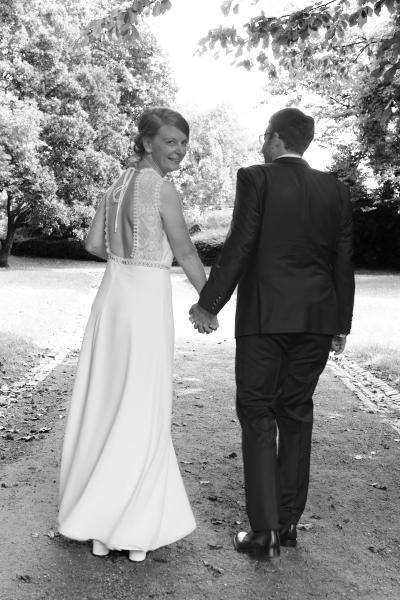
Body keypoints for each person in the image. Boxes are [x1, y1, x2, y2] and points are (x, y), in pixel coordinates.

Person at [189, 108, 355, 559]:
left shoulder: (255, 178)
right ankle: (288, 523)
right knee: (296, 412)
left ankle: (263, 533)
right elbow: (343, 260)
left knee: (258, 412)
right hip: (317, 320)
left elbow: (241, 243)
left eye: (266, 137)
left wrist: (208, 304)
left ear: (277, 138)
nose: (263, 144)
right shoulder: (336, 190)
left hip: (264, 319)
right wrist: (340, 323)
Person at [58, 107, 218, 562]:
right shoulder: (162, 189)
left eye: (183, 143)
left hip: (112, 300)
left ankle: (98, 525)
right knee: (142, 408)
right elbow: (186, 252)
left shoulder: (116, 185)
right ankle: (130, 528)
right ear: (148, 143)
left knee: (107, 404)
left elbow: (93, 245)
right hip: (145, 303)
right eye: (170, 141)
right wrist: (209, 303)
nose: (179, 151)